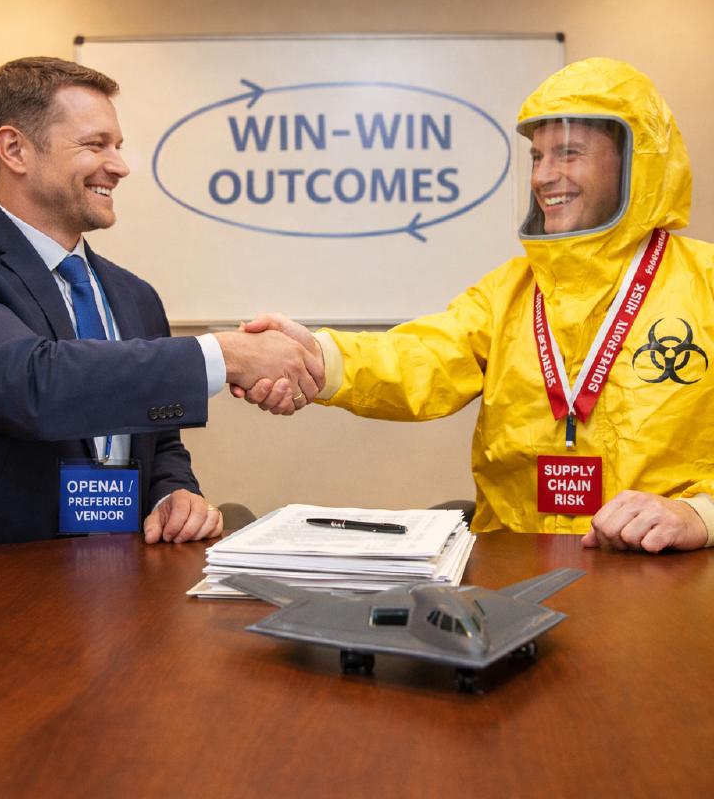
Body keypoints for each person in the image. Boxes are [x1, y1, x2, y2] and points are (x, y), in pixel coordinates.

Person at [236, 58, 714, 554]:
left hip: (665, 576)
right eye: (537, 156)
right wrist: (316, 356)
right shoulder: (509, 291)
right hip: (517, 570)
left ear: (636, 162)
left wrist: (700, 515)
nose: (543, 176)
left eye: (568, 153)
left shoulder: (705, 283)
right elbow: (421, 359)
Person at [0, 56, 323, 550]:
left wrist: (173, 493)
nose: (120, 167)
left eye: (118, 146)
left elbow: (161, 439)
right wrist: (226, 355)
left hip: (123, 576)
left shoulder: (135, 295)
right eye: (95, 145)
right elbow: (31, 383)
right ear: (15, 149)